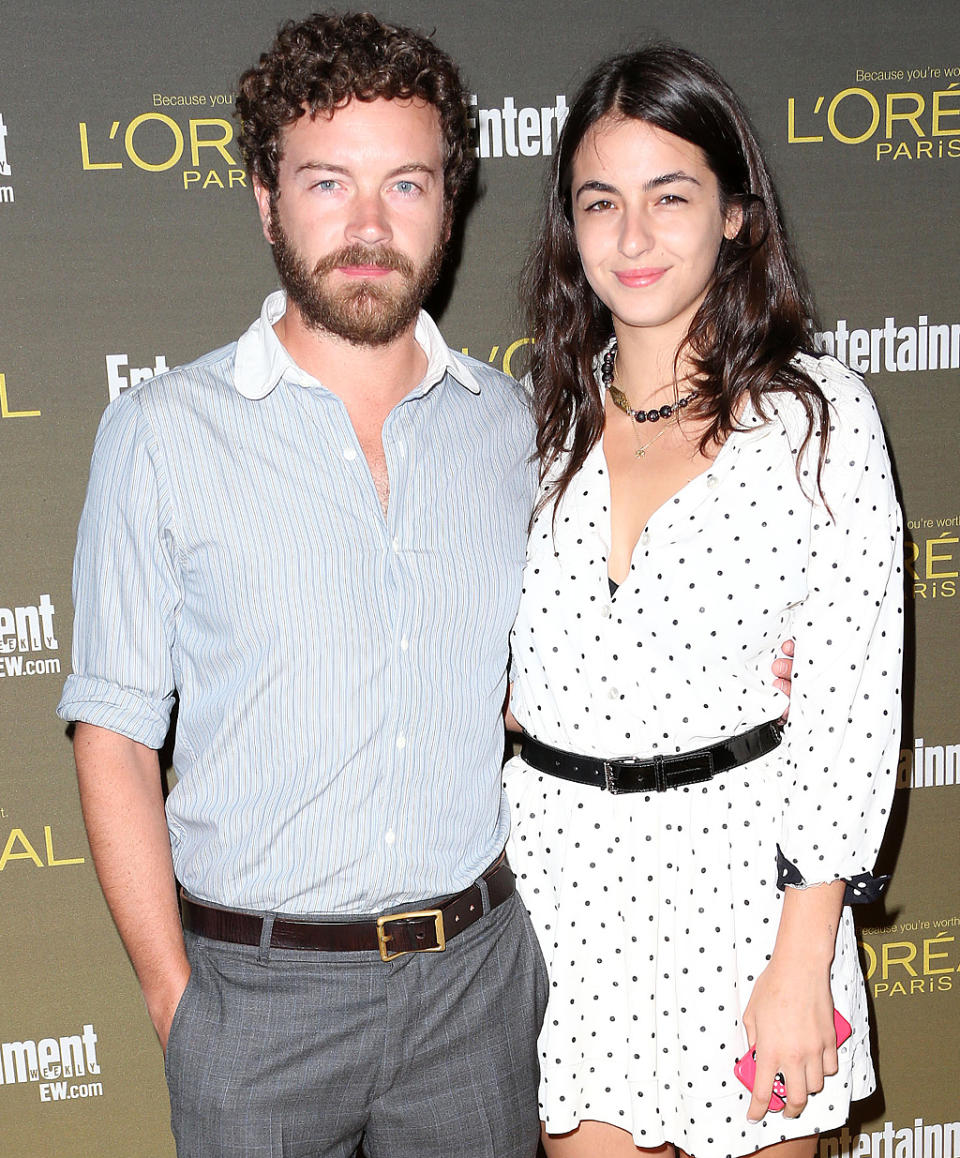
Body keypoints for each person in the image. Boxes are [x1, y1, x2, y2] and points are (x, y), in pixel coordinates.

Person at [56, 13, 549, 1158]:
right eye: (328, 182)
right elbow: (114, 738)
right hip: (253, 1006)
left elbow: (553, 689)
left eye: (407, 184)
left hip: (480, 994)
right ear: (268, 202)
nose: (369, 227)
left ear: (449, 204)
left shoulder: (516, 432)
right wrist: (181, 1008)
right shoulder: (161, 434)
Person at [504, 44, 902, 1158]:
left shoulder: (817, 422)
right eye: (601, 202)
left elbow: (852, 714)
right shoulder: (529, 428)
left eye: (669, 196)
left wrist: (801, 960)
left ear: (734, 213)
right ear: (569, 227)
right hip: (562, 898)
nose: (632, 237)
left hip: (743, 900)